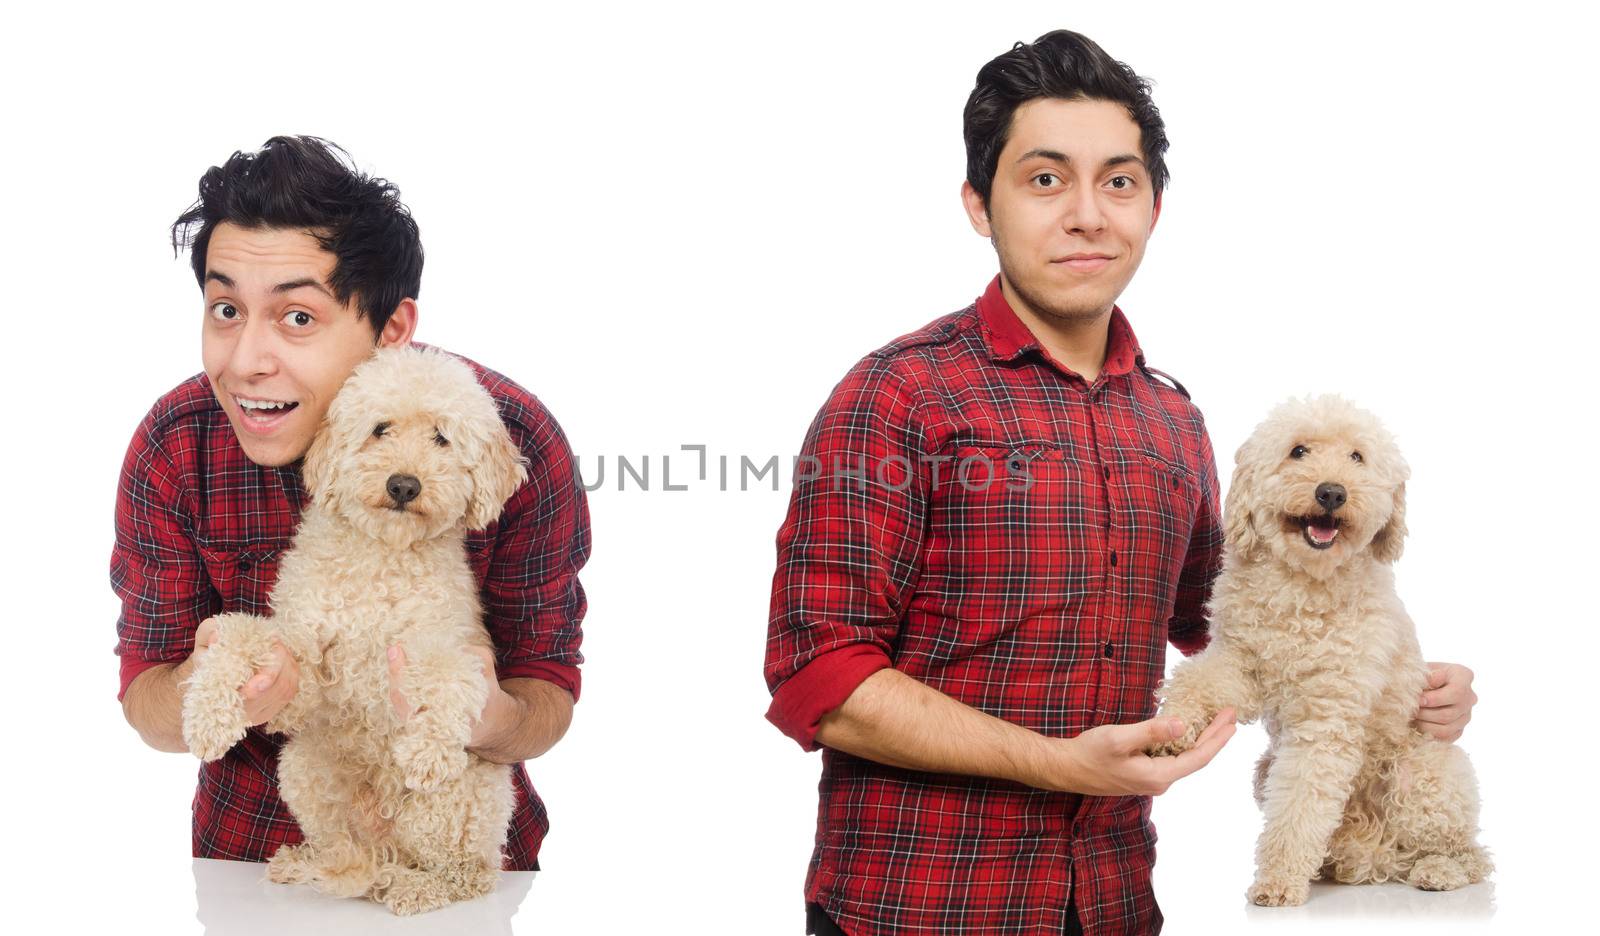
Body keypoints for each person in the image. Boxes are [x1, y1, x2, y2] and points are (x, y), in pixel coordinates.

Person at [763, 31, 1478, 934]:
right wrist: (1061, 764)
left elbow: (1227, 621)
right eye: (1046, 179)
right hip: (921, 906)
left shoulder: (1172, 422)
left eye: (1119, 181)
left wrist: (1404, 681)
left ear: (1154, 206)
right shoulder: (897, 396)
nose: (1089, 215)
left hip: (1113, 904)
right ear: (980, 205)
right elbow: (816, 677)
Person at [114, 135, 589, 871]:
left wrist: (483, 717)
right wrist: (213, 686)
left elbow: (548, 691)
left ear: (392, 331)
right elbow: (145, 701)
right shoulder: (178, 445)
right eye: (226, 309)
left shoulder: (505, 437)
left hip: (460, 871)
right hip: (249, 864)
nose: (246, 361)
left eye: (298, 317)